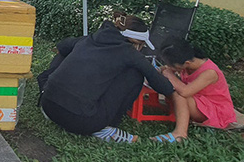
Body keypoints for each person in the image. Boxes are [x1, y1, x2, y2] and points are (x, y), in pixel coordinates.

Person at [38, 12, 174, 143]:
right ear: (137, 43)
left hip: (48, 105)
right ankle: (106, 128)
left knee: (64, 53)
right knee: (135, 75)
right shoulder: (130, 53)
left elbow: (62, 46)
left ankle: (50, 95)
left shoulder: (90, 39)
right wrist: (168, 75)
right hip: (80, 121)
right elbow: (164, 87)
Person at [151, 38, 235, 142]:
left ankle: (180, 133)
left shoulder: (210, 72)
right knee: (170, 89)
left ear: (186, 63)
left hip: (215, 110)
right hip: (198, 102)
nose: (170, 67)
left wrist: (169, 74)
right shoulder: (187, 64)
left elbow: (185, 92)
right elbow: (168, 68)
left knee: (179, 94)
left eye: (173, 65)